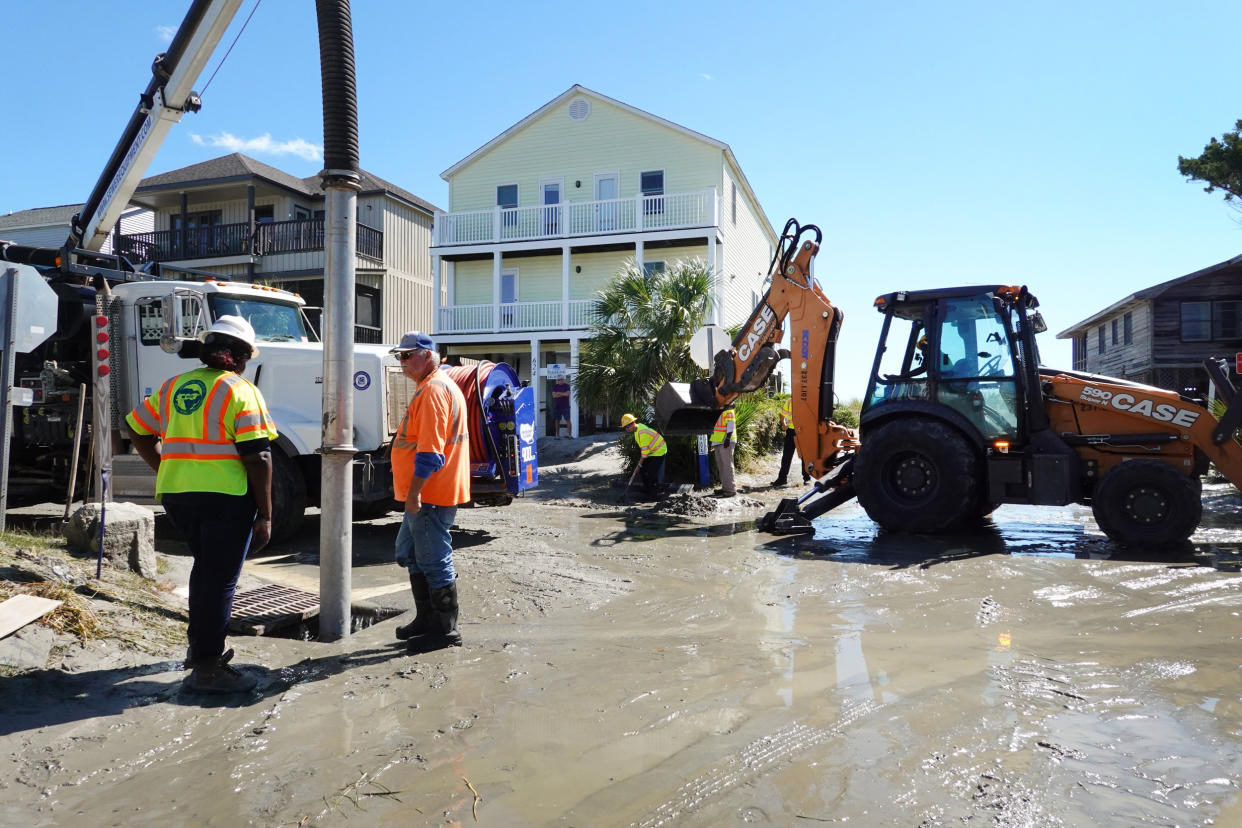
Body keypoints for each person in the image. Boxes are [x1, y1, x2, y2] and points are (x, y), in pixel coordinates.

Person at [125, 315, 277, 695]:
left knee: (206, 572)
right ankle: (208, 667)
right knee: (220, 580)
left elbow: (135, 428)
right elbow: (258, 458)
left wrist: (165, 466)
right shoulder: (240, 391)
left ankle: (199, 651)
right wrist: (267, 514)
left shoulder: (174, 385)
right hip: (226, 499)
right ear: (241, 357)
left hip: (179, 496)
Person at [390, 331, 471, 651]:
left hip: (429, 494)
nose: (402, 363)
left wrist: (414, 494)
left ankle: (444, 628)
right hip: (430, 492)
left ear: (427, 355)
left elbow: (430, 452)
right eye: (399, 356)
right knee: (409, 552)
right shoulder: (433, 385)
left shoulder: (435, 389)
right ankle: (427, 618)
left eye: (407, 356)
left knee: (434, 559)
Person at [620, 413, 666, 498]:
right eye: (625, 427)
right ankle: (647, 489)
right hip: (651, 450)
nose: (627, 429)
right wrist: (640, 466)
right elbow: (644, 450)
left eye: (627, 426)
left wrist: (638, 465)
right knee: (642, 470)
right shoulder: (637, 430)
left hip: (659, 450)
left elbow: (644, 454)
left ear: (633, 423)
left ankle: (653, 493)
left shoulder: (642, 433)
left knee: (650, 472)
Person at [773, 396, 811, 487]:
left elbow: (782, 415)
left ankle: (783, 479)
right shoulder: (792, 401)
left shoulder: (792, 401)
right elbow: (782, 415)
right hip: (796, 432)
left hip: (798, 432)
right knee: (792, 456)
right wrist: (785, 424)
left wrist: (784, 425)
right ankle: (805, 479)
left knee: (790, 456)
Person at [710, 406, 737, 497]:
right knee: (721, 466)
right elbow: (717, 429)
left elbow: (731, 425)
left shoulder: (728, 410)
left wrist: (728, 439)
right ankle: (725, 488)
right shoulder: (720, 410)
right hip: (719, 441)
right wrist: (713, 443)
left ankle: (730, 490)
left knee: (727, 466)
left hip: (726, 441)